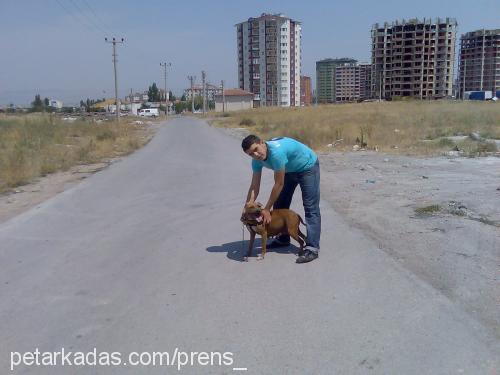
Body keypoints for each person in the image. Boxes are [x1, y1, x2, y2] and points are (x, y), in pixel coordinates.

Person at [241, 134, 321, 263]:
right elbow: (254, 186)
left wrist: (266, 209)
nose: (255, 155)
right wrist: (247, 205)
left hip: (307, 166)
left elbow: (279, 184)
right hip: (288, 169)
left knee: (310, 207)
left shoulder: (276, 153)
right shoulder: (256, 160)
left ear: (262, 142)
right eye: (250, 154)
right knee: (280, 205)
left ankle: (312, 248)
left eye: (256, 149)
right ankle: (283, 238)